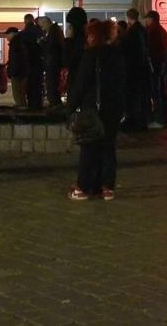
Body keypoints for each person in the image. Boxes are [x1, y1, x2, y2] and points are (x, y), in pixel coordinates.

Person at [67, 19, 124, 201]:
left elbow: (81, 84)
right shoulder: (118, 54)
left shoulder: (92, 55)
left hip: (93, 108)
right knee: (108, 146)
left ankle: (83, 186)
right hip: (113, 107)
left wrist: (70, 107)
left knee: (89, 147)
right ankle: (106, 186)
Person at [120, 10, 153, 132]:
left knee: (133, 97)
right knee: (142, 96)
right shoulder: (143, 30)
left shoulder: (131, 33)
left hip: (133, 69)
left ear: (128, 17)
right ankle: (142, 121)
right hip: (142, 68)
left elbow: (126, 51)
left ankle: (134, 121)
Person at [145, 11, 167, 128]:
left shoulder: (153, 31)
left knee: (156, 93)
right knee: (160, 92)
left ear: (152, 19)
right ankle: (163, 118)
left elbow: (151, 49)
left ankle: (159, 119)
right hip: (161, 64)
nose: (146, 21)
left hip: (155, 65)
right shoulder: (162, 31)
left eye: (148, 19)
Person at [38, 17, 65, 108]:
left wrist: (42, 43)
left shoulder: (53, 32)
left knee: (52, 85)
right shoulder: (55, 31)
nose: (43, 29)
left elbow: (51, 48)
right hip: (53, 62)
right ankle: (55, 104)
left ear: (46, 23)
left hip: (53, 63)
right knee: (52, 85)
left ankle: (55, 105)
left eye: (42, 26)